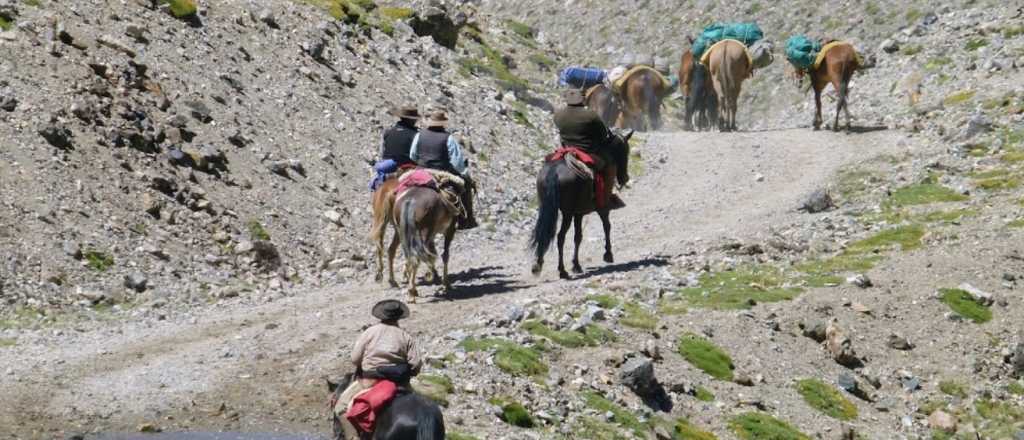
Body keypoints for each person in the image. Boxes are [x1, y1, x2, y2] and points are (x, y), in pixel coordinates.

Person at [334, 299, 422, 440]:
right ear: (399, 317)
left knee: (341, 407)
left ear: (381, 316)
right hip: (400, 382)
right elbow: (416, 364)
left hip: (370, 380)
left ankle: (354, 438)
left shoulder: (370, 332)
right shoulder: (406, 336)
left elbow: (355, 359)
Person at [553, 89, 626, 209]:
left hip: (565, 150)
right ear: (582, 100)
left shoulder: (558, 115)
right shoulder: (591, 115)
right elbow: (603, 135)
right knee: (610, 165)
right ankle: (605, 200)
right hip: (587, 152)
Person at [409, 109, 479, 230]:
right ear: (443, 123)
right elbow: (456, 162)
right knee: (466, 185)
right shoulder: (448, 138)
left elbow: (412, 155)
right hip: (441, 172)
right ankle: (466, 220)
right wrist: (465, 174)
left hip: (420, 171)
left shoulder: (419, 135)